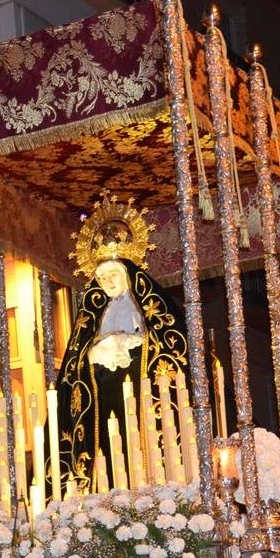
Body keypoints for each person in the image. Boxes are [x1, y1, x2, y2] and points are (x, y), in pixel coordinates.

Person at [56, 194, 187, 492]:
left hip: (144, 405)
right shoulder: (91, 318)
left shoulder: (152, 311)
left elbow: (173, 352)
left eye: (114, 274)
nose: (108, 282)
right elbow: (72, 374)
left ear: (129, 275)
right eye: (102, 278)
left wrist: (132, 343)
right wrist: (94, 353)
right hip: (103, 407)